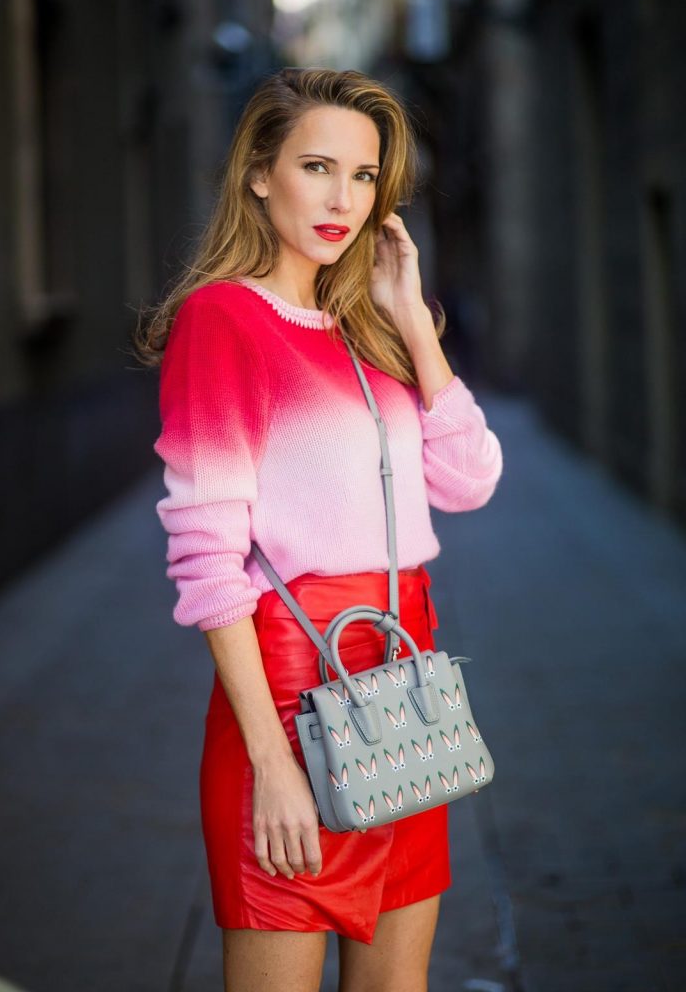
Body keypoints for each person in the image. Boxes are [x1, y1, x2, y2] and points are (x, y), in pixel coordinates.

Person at [134, 67, 503, 992]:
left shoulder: (361, 329)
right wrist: (273, 764)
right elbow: (209, 561)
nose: (343, 198)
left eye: (364, 175)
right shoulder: (221, 320)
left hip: (405, 699)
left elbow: (468, 483)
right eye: (316, 166)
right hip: (292, 697)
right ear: (260, 174)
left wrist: (413, 325)